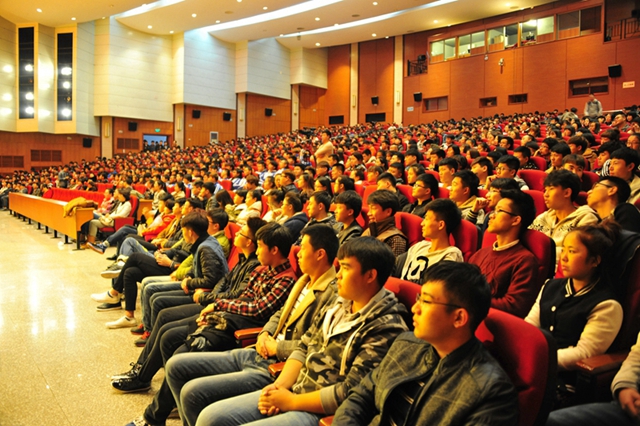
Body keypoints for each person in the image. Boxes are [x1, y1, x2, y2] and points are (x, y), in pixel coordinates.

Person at [189, 237, 409, 426]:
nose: (338, 275)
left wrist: (291, 402)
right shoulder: (339, 302)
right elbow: (305, 345)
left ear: (370, 276)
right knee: (210, 415)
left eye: (346, 268)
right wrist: (278, 388)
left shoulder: (386, 326)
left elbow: (351, 392)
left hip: (322, 411)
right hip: (294, 386)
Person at [114, 222, 298, 426]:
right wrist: (215, 310)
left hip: (240, 329)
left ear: (274, 250)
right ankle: (166, 399)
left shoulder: (285, 280)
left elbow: (257, 309)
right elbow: (240, 295)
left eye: (261, 245)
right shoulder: (262, 270)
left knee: (179, 353)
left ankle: (155, 415)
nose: (257, 249)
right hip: (226, 317)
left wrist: (216, 304)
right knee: (168, 336)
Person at [164, 225, 339, 426]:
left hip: (277, 366)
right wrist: (265, 333)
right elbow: (279, 314)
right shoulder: (303, 281)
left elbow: (315, 345)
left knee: (199, 401)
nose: (297, 254)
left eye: (303, 249)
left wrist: (277, 347)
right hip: (258, 349)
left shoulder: (330, 294)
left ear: (320, 254)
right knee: (175, 366)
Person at [332, 261, 518, 425]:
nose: (415, 308)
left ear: (459, 318)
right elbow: (360, 397)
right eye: (418, 298)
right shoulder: (406, 344)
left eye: (426, 301)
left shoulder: (490, 391)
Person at [525, 222, 623, 395]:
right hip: (532, 367)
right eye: (564, 249)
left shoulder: (607, 305)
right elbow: (529, 327)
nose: (563, 257)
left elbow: (583, 353)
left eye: (572, 251)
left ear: (594, 260)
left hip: (562, 382)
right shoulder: (550, 286)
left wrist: (536, 359)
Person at [90, 209, 228, 329]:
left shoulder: (206, 247)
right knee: (130, 272)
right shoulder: (202, 242)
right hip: (180, 271)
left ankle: (145, 325)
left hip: (195, 286)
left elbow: (210, 278)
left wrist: (185, 278)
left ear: (190, 232)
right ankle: (128, 316)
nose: (183, 233)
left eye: (184, 231)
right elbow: (193, 264)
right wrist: (187, 275)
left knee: (147, 282)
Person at [469, 190, 540, 318]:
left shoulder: (524, 261)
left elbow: (514, 306)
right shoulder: (480, 254)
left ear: (516, 220)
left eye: (499, 211)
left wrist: (468, 301)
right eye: (493, 210)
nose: (491, 216)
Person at [546, 332, 640, 426]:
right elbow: (636, 357)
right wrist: (625, 386)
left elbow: (585, 351)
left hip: (566, 383)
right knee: (548, 422)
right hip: (631, 407)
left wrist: (544, 359)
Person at [530, 170, 599, 267]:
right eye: (545, 190)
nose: (545, 194)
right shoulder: (543, 217)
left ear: (567, 193)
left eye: (551, 189)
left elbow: (577, 255)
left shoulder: (586, 218)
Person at [394, 198, 463, 284]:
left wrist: (401, 285)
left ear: (441, 225)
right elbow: (394, 266)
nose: (422, 223)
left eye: (426, 219)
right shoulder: (420, 246)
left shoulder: (451, 254)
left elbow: (435, 284)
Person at [363, 190, 408, 257]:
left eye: (373, 208)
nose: (368, 213)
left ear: (388, 212)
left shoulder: (396, 239)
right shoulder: (369, 230)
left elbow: (393, 263)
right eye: (369, 209)